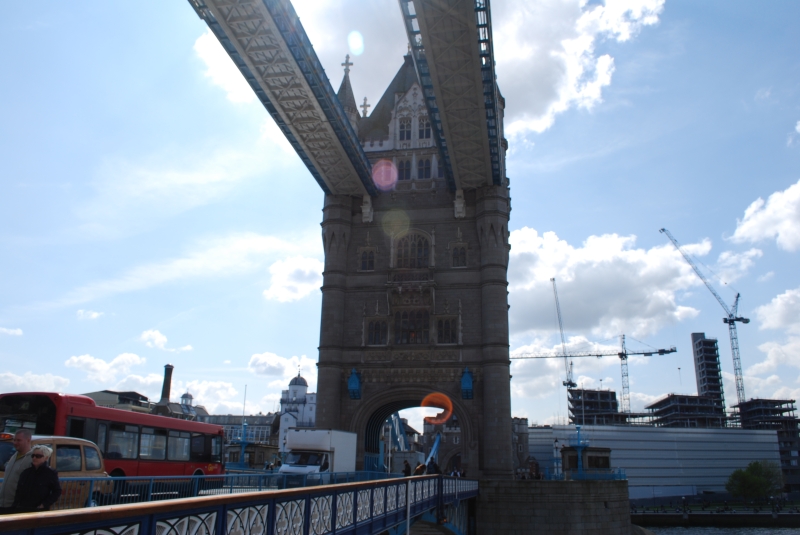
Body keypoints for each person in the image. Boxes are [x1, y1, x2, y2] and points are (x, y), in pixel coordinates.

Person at [12, 445, 62, 513]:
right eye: (33, 456)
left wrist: (44, 504)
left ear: (46, 458)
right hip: (22, 509)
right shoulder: (26, 472)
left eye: (38, 456)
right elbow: (18, 491)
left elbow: (57, 491)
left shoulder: (50, 473)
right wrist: (15, 506)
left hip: (38, 510)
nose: (34, 458)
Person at [0, 429, 33, 513]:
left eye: (19, 440)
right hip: (3, 503)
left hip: (15, 506)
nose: (15, 443)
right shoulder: (14, 456)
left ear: (28, 440)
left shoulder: (32, 459)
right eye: (14, 440)